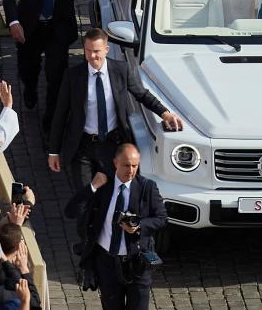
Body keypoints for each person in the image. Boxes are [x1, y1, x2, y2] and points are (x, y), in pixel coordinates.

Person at [48, 28, 183, 190]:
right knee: (84, 196)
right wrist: (53, 151)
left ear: (106, 49)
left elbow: (142, 94)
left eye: (96, 51)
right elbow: (60, 114)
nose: (91, 56)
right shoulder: (73, 76)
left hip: (112, 144)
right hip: (82, 146)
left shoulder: (121, 70)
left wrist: (165, 113)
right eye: (88, 51)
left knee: (112, 193)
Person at [76, 143, 166, 310]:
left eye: (135, 165)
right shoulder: (104, 188)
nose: (131, 170)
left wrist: (139, 227)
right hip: (108, 261)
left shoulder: (147, 187)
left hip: (137, 264)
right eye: (127, 165)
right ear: (115, 163)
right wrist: (91, 188)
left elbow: (161, 218)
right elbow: (75, 211)